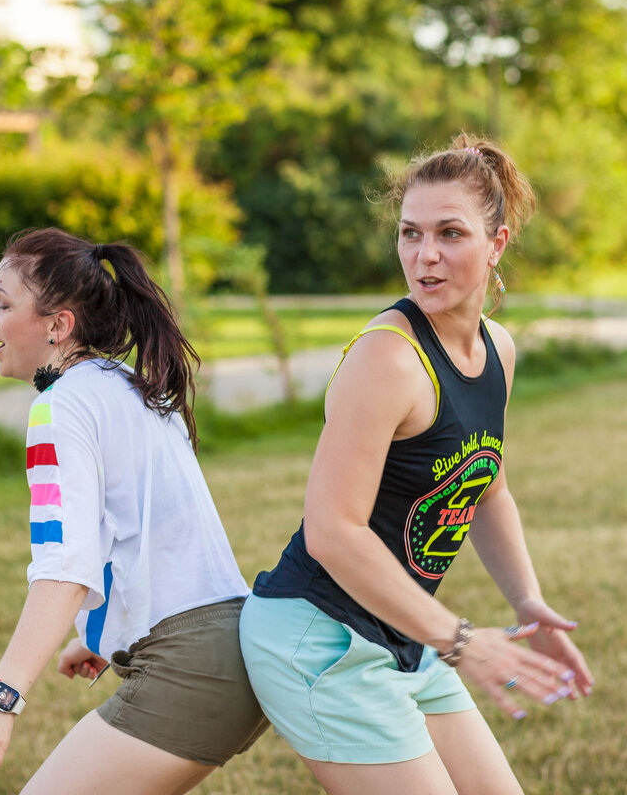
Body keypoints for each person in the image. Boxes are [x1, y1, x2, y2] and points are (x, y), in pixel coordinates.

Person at [239, 135, 594, 794]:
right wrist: (462, 640)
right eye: (410, 234)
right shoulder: (388, 358)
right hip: (319, 640)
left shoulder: (498, 350)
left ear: (498, 243)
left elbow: (486, 490)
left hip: (404, 634)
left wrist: (528, 603)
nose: (425, 256)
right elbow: (333, 531)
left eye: (450, 234)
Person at [0, 227, 268, 791]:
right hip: (234, 651)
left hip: (190, 670)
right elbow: (154, 529)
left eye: (4, 302)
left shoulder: (60, 407)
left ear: (58, 326)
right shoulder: (125, 384)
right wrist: (101, 634)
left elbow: (65, 568)